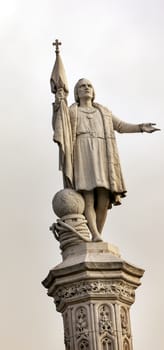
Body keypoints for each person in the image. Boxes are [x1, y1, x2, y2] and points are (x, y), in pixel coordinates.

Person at [53, 78, 159, 242]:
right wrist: (58, 103)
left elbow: (121, 126)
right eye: (82, 86)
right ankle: (95, 235)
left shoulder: (104, 112)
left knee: (103, 198)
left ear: (93, 92)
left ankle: (97, 234)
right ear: (76, 93)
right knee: (87, 198)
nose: (86, 88)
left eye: (89, 86)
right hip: (82, 152)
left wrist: (140, 128)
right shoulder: (72, 111)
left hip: (103, 153)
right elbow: (60, 125)